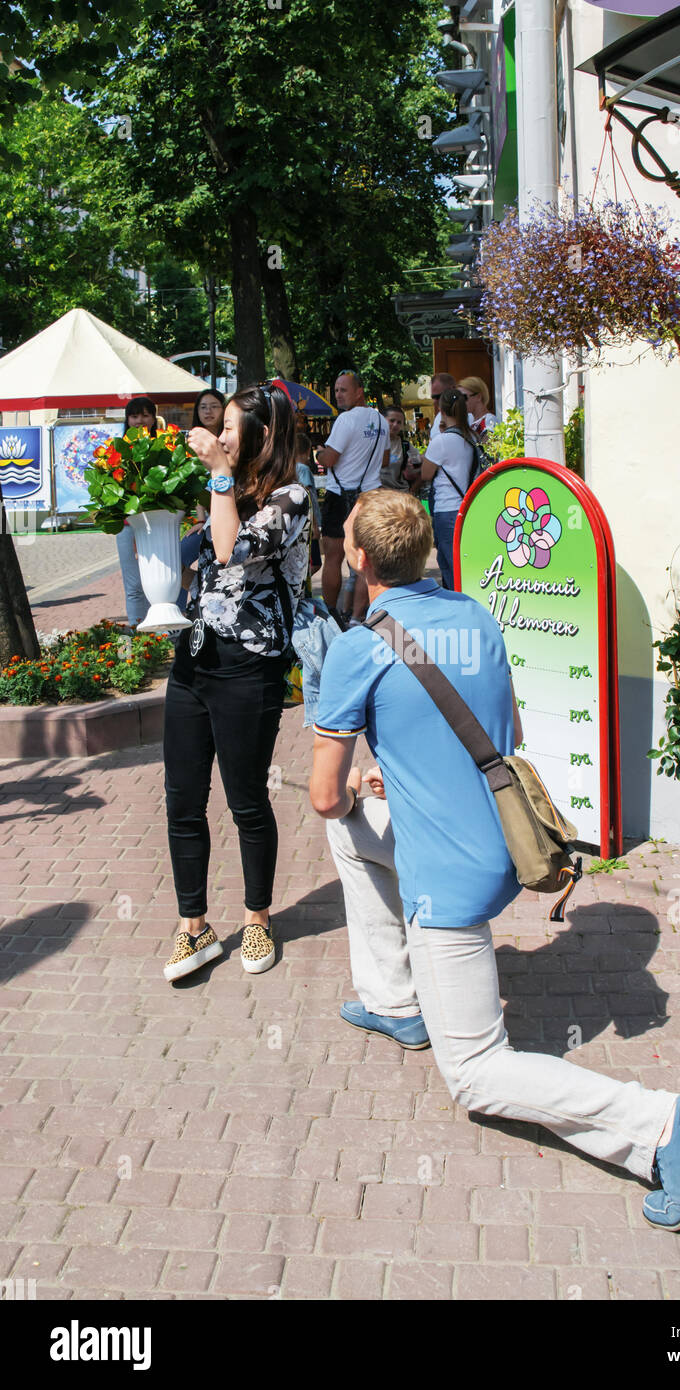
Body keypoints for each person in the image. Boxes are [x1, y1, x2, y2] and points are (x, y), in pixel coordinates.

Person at [309, 489, 680, 1233]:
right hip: (508, 849)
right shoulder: (473, 615)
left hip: (447, 886)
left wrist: (365, 779)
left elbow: (320, 796)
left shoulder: (357, 645)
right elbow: (505, 726)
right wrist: (393, 773)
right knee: (357, 829)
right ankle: (396, 1001)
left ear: (362, 560)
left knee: (473, 1075)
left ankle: (661, 1125)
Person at [162, 382, 310, 983]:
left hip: (251, 668)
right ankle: (192, 927)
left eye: (229, 426)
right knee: (182, 800)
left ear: (264, 435)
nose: (219, 435)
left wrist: (219, 476)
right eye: (217, 425)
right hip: (194, 662)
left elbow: (228, 550)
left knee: (246, 799)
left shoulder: (294, 498)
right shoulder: (231, 490)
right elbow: (193, 551)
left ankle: (257, 917)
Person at [315, 369, 389, 619]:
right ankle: (359, 617)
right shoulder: (381, 420)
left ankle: (330, 613)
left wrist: (318, 454)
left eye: (343, 390)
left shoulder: (346, 420)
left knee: (333, 558)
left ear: (360, 392)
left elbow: (331, 459)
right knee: (363, 561)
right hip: (371, 495)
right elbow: (386, 459)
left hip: (340, 496)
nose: (338, 395)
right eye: (336, 390)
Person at [419, 386, 476, 590]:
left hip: (446, 509)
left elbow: (425, 474)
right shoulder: (470, 438)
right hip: (466, 507)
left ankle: (456, 603)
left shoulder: (441, 442)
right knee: (461, 563)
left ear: (441, 411)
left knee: (449, 565)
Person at [177, 388, 226, 612]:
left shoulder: (229, 441)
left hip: (227, 517)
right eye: (203, 407)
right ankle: (182, 613)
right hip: (205, 520)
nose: (208, 411)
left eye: (214, 406)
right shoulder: (192, 445)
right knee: (177, 558)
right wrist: (199, 519)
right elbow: (196, 486)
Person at [115, 396, 158, 630]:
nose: (140, 421)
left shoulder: (165, 446)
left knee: (157, 580)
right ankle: (137, 633)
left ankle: (160, 630)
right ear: (127, 419)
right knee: (133, 585)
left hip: (157, 525)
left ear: (153, 418)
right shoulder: (117, 452)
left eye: (145, 415)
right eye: (134, 416)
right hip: (127, 526)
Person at [294, 431, 321, 575]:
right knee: (314, 563)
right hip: (309, 523)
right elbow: (307, 495)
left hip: (299, 523)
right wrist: (315, 524)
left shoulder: (289, 468)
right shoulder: (303, 469)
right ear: (307, 450)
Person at [380, 406, 414, 491]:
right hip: (376, 495)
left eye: (399, 422)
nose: (395, 425)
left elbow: (421, 467)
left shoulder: (405, 446)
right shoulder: (371, 442)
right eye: (392, 420)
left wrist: (412, 491)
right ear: (382, 420)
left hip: (398, 494)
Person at [459, 376, 497, 441]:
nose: (460, 401)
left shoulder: (488, 421)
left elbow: (488, 449)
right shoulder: (471, 420)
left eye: (464, 397)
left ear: (478, 397)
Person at [428, 372, 456, 443]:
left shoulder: (468, 416)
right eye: (433, 397)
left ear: (452, 390)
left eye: (438, 397)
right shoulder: (439, 417)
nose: (434, 401)